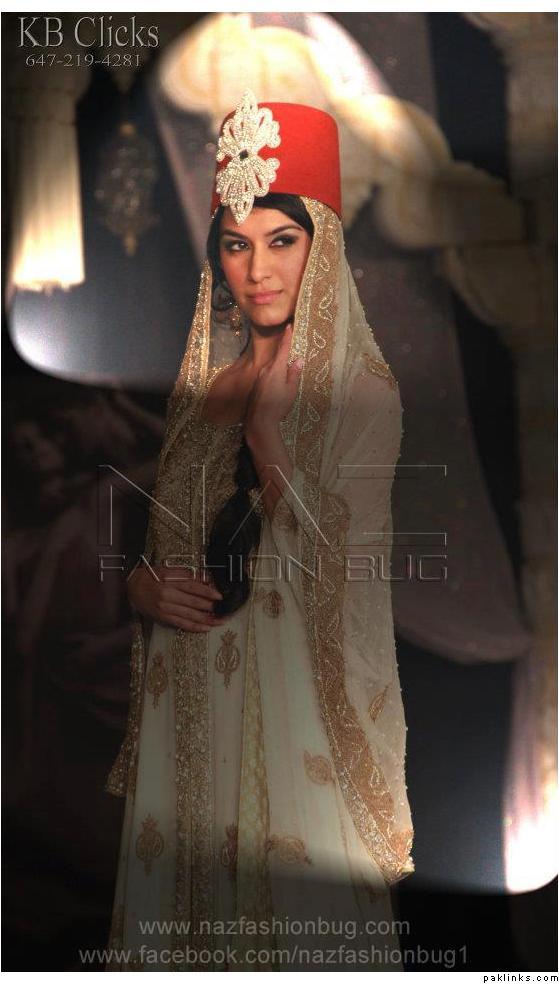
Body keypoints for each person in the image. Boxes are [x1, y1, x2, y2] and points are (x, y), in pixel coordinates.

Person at [104, 89, 414, 972]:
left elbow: (340, 564)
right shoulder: (204, 390)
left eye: (281, 241)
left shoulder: (363, 391)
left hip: (290, 704)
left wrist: (271, 438)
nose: (257, 269)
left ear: (323, 248)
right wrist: (140, 585)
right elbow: (166, 541)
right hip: (185, 691)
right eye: (235, 245)